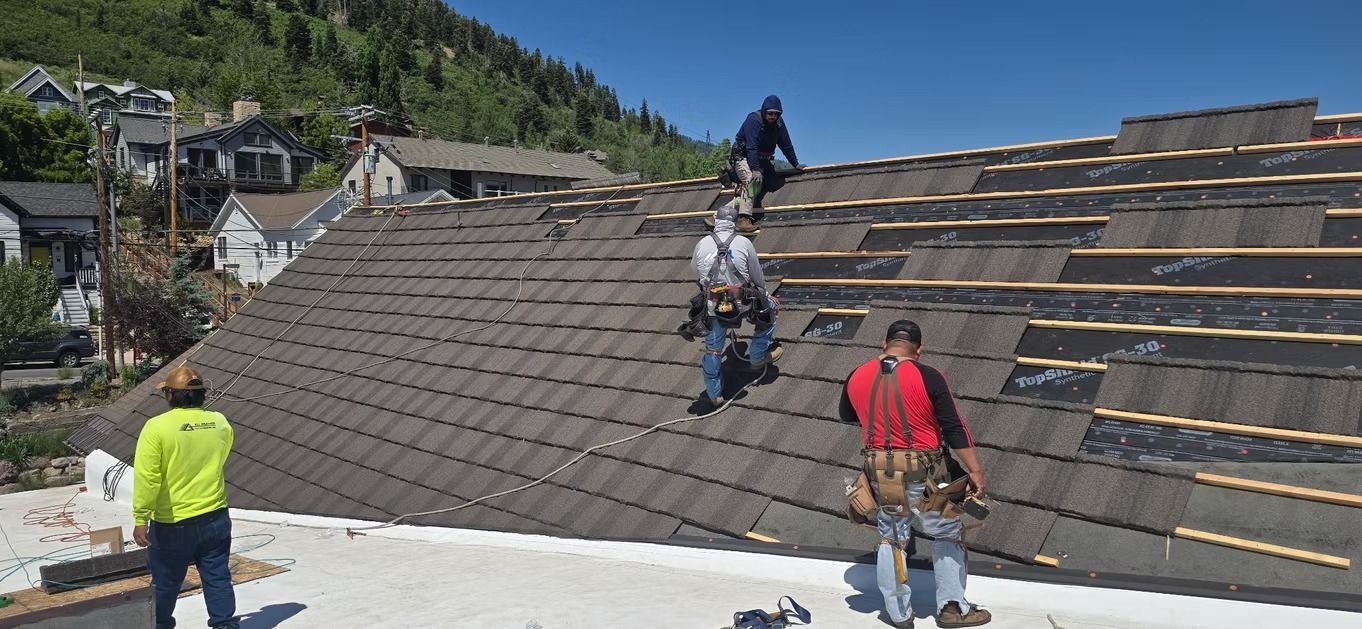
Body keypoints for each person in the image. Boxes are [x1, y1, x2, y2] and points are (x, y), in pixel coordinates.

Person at [838, 321, 991, 629]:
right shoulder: (928, 376)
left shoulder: (856, 375)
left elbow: (847, 414)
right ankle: (952, 608)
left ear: (885, 343)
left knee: (891, 539)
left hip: (881, 475)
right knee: (947, 533)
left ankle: (899, 614)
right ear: (918, 350)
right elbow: (954, 427)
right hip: (928, 476)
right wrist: (974, 469)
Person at [133, 366, 239, 629]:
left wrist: (140, 517)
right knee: (217, 577)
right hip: (215, 516)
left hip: (173, 522)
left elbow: (148, 477)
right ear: (201, 395)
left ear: (170, 395)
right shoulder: (219, 422)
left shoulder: (156, 427)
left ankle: (159, 625)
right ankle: (225, 625)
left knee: (166, 582)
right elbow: (220, 456)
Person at [691, 203, 783, 406]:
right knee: (770, 312)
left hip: (714, 304)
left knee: (713, 350)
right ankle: (758, 357)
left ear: (717, 223)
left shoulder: (702, 244)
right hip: (743, 302)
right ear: (733, 224)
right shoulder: (743, 242)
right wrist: (766, 295)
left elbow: (696, 274)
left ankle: (714, 393)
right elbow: (757, 276)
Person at [723, 94, 805, 233]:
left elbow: (786, 145)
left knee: (771, 183)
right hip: (743, 158)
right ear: (764, 111)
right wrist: (755, 169)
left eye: (776, 114)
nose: (773, 116)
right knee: (752, 181)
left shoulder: (779, 124)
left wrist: (795, 164)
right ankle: (744, 219)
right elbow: (751, 147)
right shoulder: (754, 120)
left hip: (763, 160)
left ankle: (718, 217)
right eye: (770, 113)